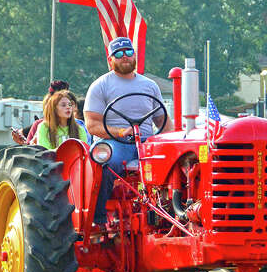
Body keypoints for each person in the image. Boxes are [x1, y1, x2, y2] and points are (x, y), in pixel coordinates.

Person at [84, 36, 173, 224]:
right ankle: (98, 219)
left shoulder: (150, 85)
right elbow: (92, 125)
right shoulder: (100, 85)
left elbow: (163, 122)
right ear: (110, 60)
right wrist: (119, 132)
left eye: (128, 52)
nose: (125, 57)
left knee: (174, 167)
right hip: (115, 142)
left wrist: (171, 145)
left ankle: (170, 215)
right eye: (118, 54)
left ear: (135, 56)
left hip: (147, 142)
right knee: (108, 165)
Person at [11, 79, 70, 145]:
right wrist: (24, 143)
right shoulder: (40, 125)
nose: (67, 107)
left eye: (68, 104)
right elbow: (29, 149)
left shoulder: (78, 126)